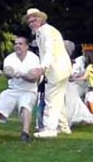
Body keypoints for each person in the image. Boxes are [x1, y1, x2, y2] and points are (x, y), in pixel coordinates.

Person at [24, 8, 73, 138]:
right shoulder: (41, 32)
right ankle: (63, 127)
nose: (31, 24)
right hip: (58, 69)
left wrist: (42, 68)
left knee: (51, 98)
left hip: (57, 69)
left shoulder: (48, 31)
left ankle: (50, 129)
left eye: (34, 20)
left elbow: (49, 51)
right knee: (58, 99)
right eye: (29, 22)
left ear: (41, 19)